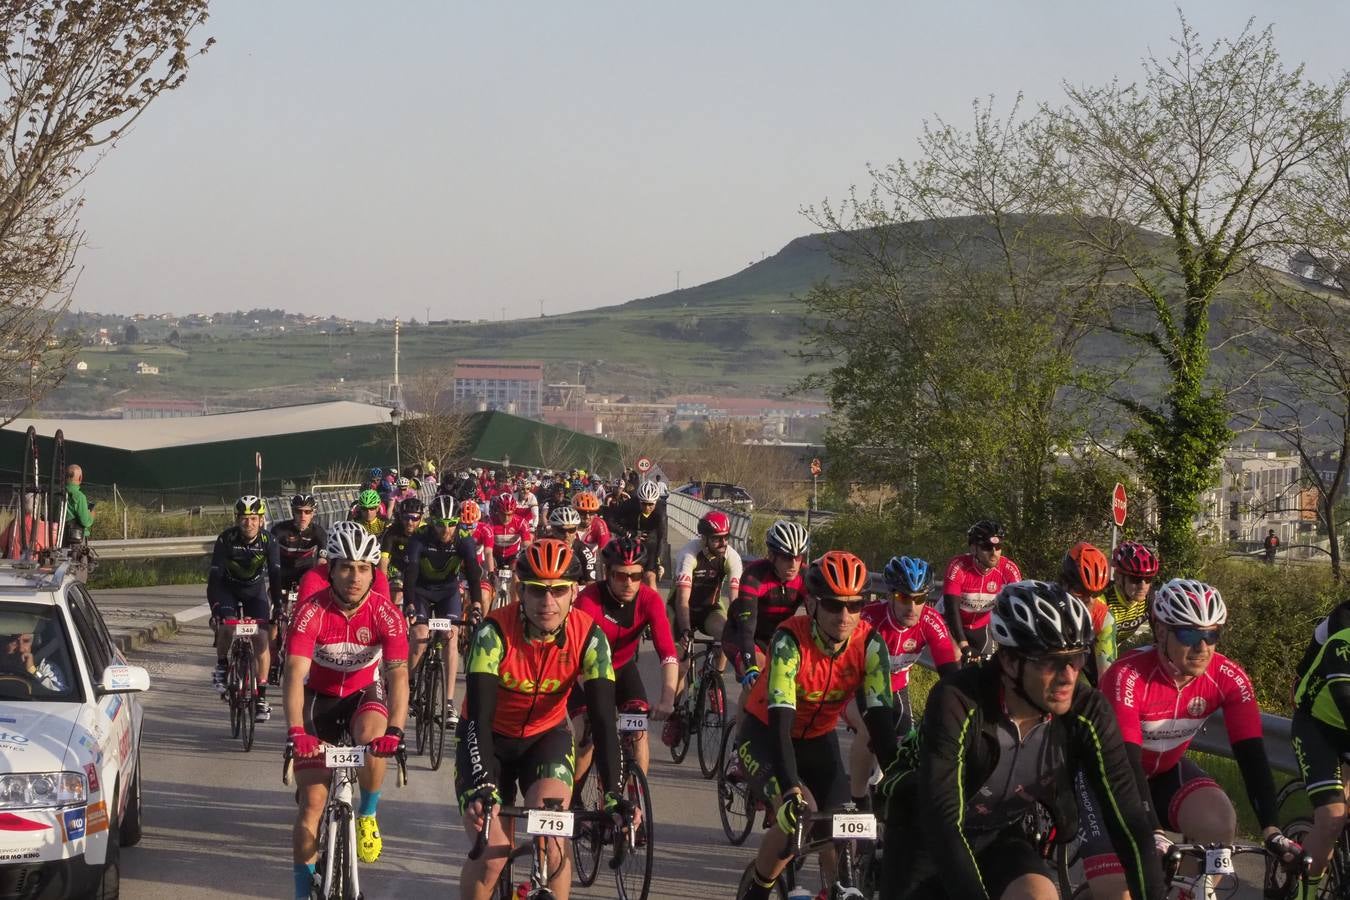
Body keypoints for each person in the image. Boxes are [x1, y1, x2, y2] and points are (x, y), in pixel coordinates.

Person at [883, 580, 1166, 900]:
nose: (1069, 676)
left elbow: (1129, 821)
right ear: (1009, 661)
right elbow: (944, 823)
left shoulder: (1087, 709)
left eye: (1076, 658)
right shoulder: (958, 700)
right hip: (925, 837)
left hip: (1000, 835)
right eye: (1050, 662)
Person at [1079, 578, 1297, 900]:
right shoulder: (1128, 676)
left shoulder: (1229, 677)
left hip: (1165, 771)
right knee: (1118, 891)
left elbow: (1252, 755)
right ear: (1161, 632)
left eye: (1212, 635)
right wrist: (1153, 829)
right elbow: (1125, 762)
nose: (1203, 647)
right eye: (1189, 634)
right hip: (1108, 778)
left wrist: (1271, 829)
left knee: (1219, 821)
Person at [455, 538, 634, 900]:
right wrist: (482, 783)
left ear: (574, 592)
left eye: (558, 591)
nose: (547, 603)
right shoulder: (493, 633)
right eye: (537, 591)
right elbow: (478, 718)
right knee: (493, 855)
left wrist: (614, 794)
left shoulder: (590, 638)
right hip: (486, 741)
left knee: (554, 843)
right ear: (521, 591)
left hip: (544, 738)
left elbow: (603, 721)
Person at [735, 551, 899, 900]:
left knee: (839, 824)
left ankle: (835, 889)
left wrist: (899, 782)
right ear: (812, 604)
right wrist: (790, 786)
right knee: (799, 813)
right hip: (766, 734)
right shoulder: (788, 641)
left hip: (818, 740)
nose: (844, 616)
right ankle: (759, 890)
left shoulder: (870, 644)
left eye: (854, 606)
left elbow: (882, 722)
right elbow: (780, 721)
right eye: (833, 605)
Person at [283, 523, 409, 899]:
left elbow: (398, 676)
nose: (355, 577)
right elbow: (293, 674)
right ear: (331, 570)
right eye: (346, 568)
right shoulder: (311, 612)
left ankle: (368, 813)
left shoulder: (385, 613)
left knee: (374, 738)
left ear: (374, 572)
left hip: (362, 694)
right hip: (317, 700)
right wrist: (296, 732)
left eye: (364, 568)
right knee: (312, 805)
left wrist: (397, 732)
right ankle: (302, 893)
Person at [845, 555, 957, 808]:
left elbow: (951, 674)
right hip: (856, 688)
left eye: (919, 600)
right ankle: (857, 800)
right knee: (868, 730)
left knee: (907, 747)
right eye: (904, 598)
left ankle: (887, 796)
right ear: (890, 595)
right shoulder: (868, 620)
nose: (912, 607)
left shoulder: (930, 621)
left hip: (896, 689)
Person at [570, 534, 678, 780]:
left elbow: (668, 653)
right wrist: (599, 705)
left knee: (638, 731)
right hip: (585, 672)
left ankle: (633, 803)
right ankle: (572, 801)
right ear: (607, 573)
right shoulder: (587, 600)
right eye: (620, 575)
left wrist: (667, 699)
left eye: (635, 576)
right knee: (587, 735)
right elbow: (575, 657)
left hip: (622, 668)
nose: (628, 583)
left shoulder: (650, 600)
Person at [404, 494, 483, 728]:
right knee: (419, 634)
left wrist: (476, 605)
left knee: (451, 635)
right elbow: (411, 573)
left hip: (448, 592)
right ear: (431, 522)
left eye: (450, 524)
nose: (445, 529)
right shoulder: (420, 537)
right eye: (440, 524)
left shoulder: (464, 539)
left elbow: (473, 575)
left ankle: (448, 702)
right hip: (421, 590)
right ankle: (408, 686)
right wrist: (409, 603)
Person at [207, 496, 281, 721]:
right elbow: (215, 575)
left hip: (254, 592)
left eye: (253, 518)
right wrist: (216, 608)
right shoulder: (226, 539)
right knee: (228, 627)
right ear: (237, 520)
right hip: (227, 589)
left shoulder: (269, 540)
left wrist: (278, 606)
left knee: (262, 638)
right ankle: (222, 665)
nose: (248, 523)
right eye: (244, 519)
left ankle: (261, 696)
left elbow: (276, 575)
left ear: (261, 520)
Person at [1291, 620, 1350, 899]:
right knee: (1331, 818)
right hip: (1317, 727)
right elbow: (1344, 698)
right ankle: (1305, 894)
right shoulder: (1343, 642)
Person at [724, 520, 810, 690]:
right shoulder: (754, 576)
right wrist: (750, 667)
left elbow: (816, 621)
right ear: (772, 556)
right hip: (741, 634)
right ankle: (746, 715)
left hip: (774, 638)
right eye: (786, 558)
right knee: (759, 680)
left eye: (798, 557)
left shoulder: (805, 577)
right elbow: (746, 630)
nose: (793, 564)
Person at [941, 519, 1022, 662]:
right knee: (956, 665)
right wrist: (963, 645)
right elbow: (951, 610)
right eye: (987, 547)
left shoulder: (1008, 569)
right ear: (973, 548)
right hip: (950, 623)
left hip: (981, 626)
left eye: (998, 547)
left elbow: (1018, 607)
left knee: (987, 674)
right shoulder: (958, 566)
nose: (994, 552)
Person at [269, 494, 328, 683]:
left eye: (307, 512)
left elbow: (323, 560)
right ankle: (272, 660)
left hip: (305, 576)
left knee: (308, 615)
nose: (303, 516)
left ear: (313, 513)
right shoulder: (280, 530)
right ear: (292, 512)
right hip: (282, 575)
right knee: (274, 619)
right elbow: (270, 558)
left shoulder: (318, 532)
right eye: (299, 512)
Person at [1059, 541, 1116, 686]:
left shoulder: (1103, 618)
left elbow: (1107, 676)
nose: (1089, 600)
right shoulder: (1044, 606)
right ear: (1064, 584)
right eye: (1080, 592)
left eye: (1096, 593)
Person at [605, 480, 666, 589]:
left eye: (650, 504)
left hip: (650, 542)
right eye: (643, 503)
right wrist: (628, 534)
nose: (647, 508)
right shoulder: (630, 504)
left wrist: (660, 562)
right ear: (638, 500)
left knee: (650, 577)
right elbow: (610, 521)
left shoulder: (660, 510)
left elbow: (662, 538)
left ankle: (654, 604)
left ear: (656, 502)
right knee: (628, 576)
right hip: (630, 541)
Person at [1107, 540, 1159, 649]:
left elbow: (1161, 641)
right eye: (1135, 579)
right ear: (1118, 577)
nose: (1143, 586)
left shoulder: (1150, 598)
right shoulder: (1104, 600)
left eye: (1148, 578)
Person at [379, 496, 424, 616]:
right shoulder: (392, 532)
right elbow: (383, 561)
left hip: (420, 570)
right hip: (398, 569)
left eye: (414, 518)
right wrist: (382, 585)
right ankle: (396, 619)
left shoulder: (426, 532)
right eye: (406, 518)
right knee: (397, 594)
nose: (410, 522)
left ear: (421, 518)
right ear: (400, 517)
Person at [0, 630, 67, 692]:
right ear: (4, 642)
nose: (21, 648)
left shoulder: (46, 668)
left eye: (26, 641)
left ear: (32, 644)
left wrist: (33, 670)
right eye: (14, 641)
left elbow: (59, 690)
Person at [545, 506, 598, 584]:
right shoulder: (542, 546)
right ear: (553, 529)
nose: (567, 535)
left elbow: (591, 584)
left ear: (576, 529)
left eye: (571, 530)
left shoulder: (584, 551)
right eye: (561, 530)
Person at [0, 494, 50, 560]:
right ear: (38, 506)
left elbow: (2, 542)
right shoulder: (42, 527)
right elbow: (47, 550)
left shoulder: (13, 523)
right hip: (34, 565)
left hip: (12, 563)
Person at [64, 464, 94, 547]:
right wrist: (91, 515)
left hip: (60, 537)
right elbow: (85, 522)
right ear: (80, 478)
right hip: (76, 539)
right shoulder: (80, 497)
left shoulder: (57, 494)